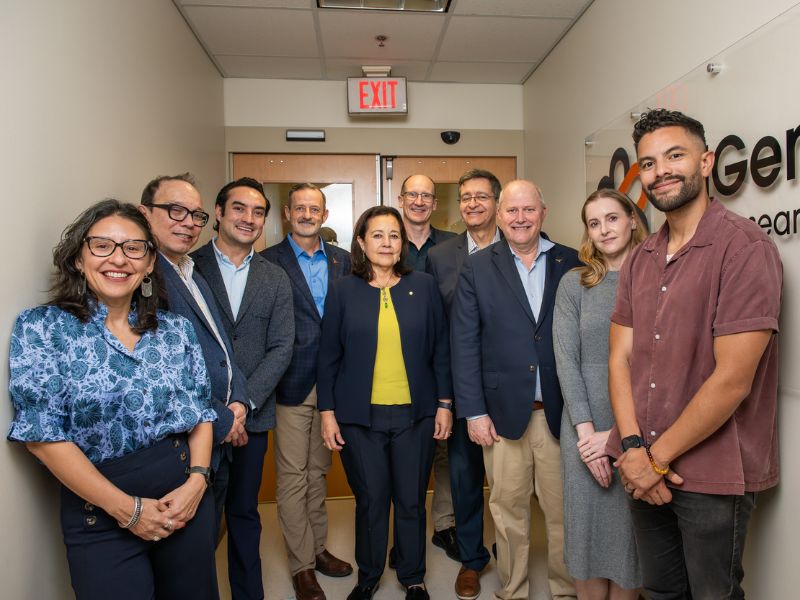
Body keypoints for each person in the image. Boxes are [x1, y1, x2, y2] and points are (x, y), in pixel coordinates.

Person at [608, 109, 783, 599]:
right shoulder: (641, 259)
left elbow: (732, 379)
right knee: (661, 592)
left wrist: (653, 460)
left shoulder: (744, 248)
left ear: (706, 163)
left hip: (712, 472)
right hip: (643, 459)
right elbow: (620, 358)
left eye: (675, 155)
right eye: (648, 163)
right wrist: (633, 449)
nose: (660, 170)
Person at [8, 200, 219, 600]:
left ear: (149, 263)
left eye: (134, 248)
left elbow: (201, 412)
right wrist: (128, 510)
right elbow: (42, 437)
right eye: (102, 245)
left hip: (184, 503)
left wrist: (197, 480)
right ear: (77, 257)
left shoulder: (174, 330)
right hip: (99, 513)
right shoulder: (42, 329)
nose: (118, 259)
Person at [451, 179, 579, 600]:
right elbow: (464, 341)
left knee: (564, 514)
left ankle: (565, 591)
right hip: (501, 413)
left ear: (544, 212)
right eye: (511, 211)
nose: (520, 219)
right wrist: (473, 412)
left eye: (528, 210)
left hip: (561, 414)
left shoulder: (572, 262)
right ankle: (514, 590)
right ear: (499, 215)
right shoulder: (477, 266)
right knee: (508, 513)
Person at [317, 206, 453, 600]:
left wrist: (445, 403)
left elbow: (440, 349)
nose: (387, 243)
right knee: (371, 501)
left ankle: (413, 576)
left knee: (410, 500)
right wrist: (328, 413)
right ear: (361, 242)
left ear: (403, 243)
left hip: (416, 414)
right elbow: (328, 357)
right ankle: (370, 575)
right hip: (360, 417)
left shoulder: (424, 285)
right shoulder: (343, 290)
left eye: (394, 235)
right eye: (377, 235)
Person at [192, 177, 295, 600]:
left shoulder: (275, 277)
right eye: (239, 208)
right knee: (200, 516)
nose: (248, 219)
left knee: (244, 511)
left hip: (252, 417)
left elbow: (282, 345)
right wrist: (220, 408)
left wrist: (242, 403)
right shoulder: (187, 268)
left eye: (257, 212)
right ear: (218, 213)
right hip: (198, 418)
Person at [139, 173, 252, 533]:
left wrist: (241, 401)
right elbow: (162, 370)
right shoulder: (143, 276)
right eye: (176, 211)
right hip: (187, 442)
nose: (188, 223)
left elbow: (221, 348)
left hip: (222, 429)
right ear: (144, 214)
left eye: (195, 215)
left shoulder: (191, 271)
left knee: (206, 543)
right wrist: (223, 418)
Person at [553, 189, 647, 599]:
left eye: (612, 218)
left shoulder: (656, 280)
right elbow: (566, 361)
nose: (605, 229)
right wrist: (589, 438)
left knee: (630, 539)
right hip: (582, 425)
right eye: (594, 223)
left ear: (631, 219)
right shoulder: (575, 283)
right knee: (585, 536)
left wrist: (615, 437)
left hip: (637, 427)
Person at [262, 183, 353, 600]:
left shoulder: (345, 260)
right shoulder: (267, 262)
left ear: (325, 214)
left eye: (313, 208)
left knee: (318, 472)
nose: (306, 214)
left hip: (335, 382)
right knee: (293, 477)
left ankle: (317, 550)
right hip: (293, 381)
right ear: (287, 212)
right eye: (299, 207)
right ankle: (301, 566)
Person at [425, 168, 501, 599]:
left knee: (511, 485)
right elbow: (439, 333)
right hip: (462, 385)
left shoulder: (517, 247)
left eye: (481, 197)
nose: (473, 204)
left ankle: (510, 554)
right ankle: (472, 560)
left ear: (496, 202)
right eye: (466, 197)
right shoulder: (441, 256)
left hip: (510, 389)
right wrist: (446, 397)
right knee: (465, 479)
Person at [396, 173, 459, 565]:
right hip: (394, 365)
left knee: (446, 448)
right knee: (405, 452)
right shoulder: (384, 240)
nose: (419, 201)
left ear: (435, 204)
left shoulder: (453, 246)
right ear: (401, 199)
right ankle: (405, 533)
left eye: (427, 196)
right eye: (412, 194)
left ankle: (445, 525)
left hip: (443, 357)